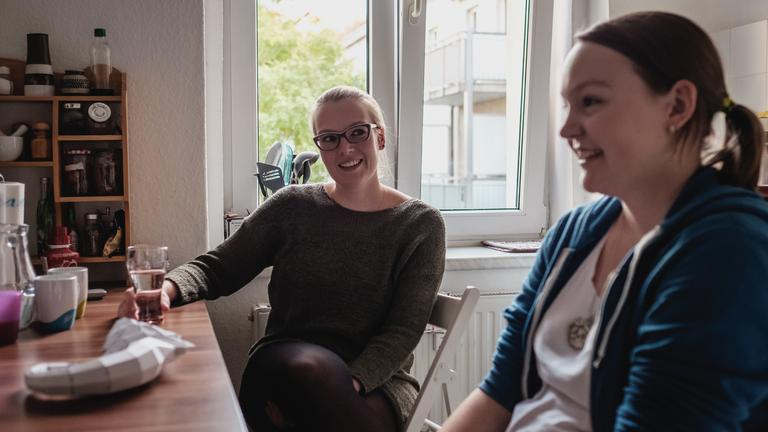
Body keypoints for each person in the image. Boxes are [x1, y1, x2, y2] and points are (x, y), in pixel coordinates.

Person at [441, 11, 768, 432]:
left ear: (677, 106)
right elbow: (499, 391)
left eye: (591, 101)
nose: (566, 129)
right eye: (567, 105)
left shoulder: (728, 253)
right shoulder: (573, 234)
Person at [118, 85, 446, 431]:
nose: (345, 148)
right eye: (329, 138)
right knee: (307, 370)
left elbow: (402, 331)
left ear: (379, 137)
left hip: (377, 382)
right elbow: (219, 267)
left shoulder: (420, 225)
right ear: (319, 148)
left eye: (357, 132)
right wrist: (165, 290)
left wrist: (338, 392)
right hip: (286, 364)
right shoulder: (293, 206)